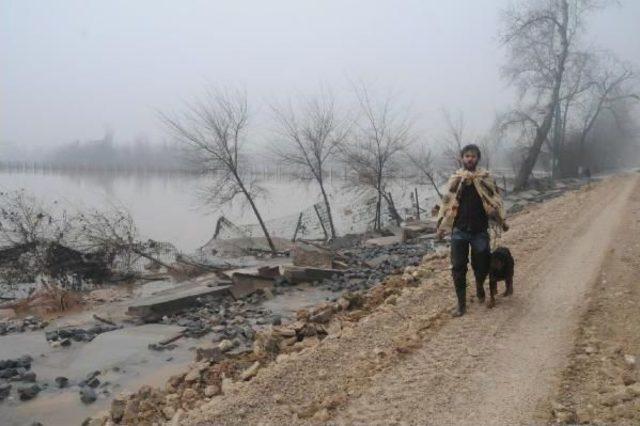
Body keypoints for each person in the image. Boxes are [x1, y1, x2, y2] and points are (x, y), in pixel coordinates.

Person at [436, 144, 508, 317]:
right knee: (458, 267)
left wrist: (497, 216)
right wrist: (441, 226)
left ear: (478, 159)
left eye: (473, 156)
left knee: (482, 264)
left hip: (479, 230)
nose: (470, 158)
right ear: (462, 158)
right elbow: (446, 203)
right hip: (459, 230)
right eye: (467, 156)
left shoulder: (486, 178)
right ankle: (461, 305)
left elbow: (495, 198)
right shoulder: (455, 179)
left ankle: (479, 286)